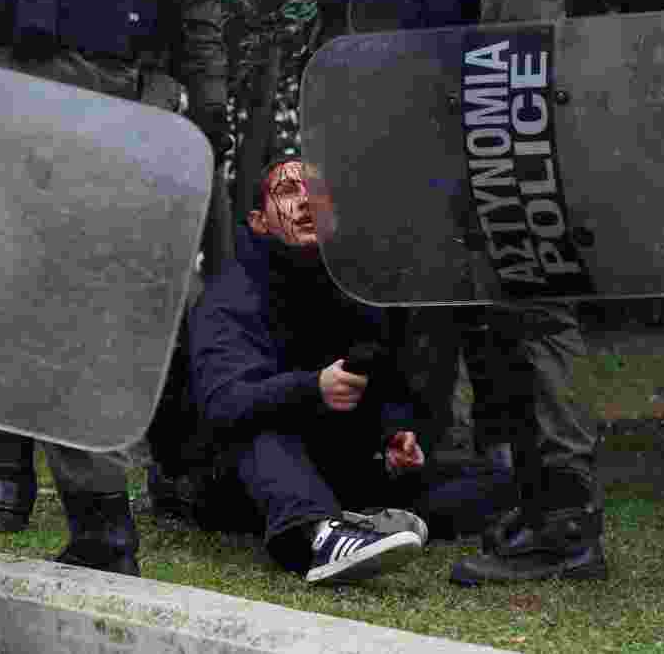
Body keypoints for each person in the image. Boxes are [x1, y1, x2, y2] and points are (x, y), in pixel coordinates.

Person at [312, 0, 609, 584]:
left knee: (537, 316)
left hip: (518, 142)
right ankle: (540, 508)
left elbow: (519, 53)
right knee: (514, 318)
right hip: (502, 140)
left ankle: (566, 527)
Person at [0, 0, 230, 579]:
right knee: (8, 298)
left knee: (71, 314)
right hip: (21, 80)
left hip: (104, 90)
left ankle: (98, 518)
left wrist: (209, 104)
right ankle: (56, 502)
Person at [181, 157, 515, 583]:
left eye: (316, 193)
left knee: (497, 483)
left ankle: (361, 522)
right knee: (258, 427)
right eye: (288, 192)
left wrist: (394, 436)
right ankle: (318, 536)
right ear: (258, 221)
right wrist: (312, 388)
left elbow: (384, 382)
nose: (305, 203)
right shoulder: (230, 295)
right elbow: (223, 402)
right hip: (240, 475)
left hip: (337, 468)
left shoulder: (354, 287)